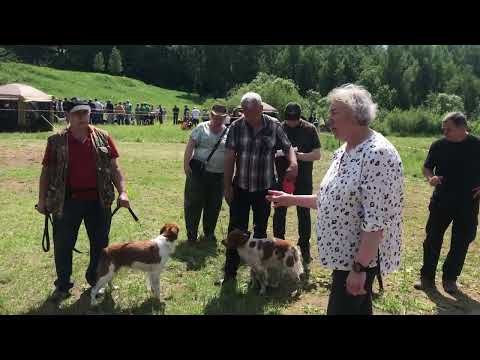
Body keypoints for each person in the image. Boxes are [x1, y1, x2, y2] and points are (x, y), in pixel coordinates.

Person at [267, 84, 404, 315]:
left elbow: (376, 223)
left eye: (334, 112)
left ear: (355, 114)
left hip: (357, 260)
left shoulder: (377, 154)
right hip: (343, 258)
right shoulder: (344, 150)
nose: (328, 119)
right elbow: (327, 199)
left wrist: (359, 269)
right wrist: (290, 198)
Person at [36, 99, 130, 301]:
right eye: (77, 113)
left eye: (85, 113)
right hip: (66, 202)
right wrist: (42, 200)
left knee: (100, 244)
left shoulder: (103, 137)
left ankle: (95, 280)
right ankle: (63, 284)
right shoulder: (55, 141)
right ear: (67, 116)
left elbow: (115, 168)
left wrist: (123, 192)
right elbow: (46, 172)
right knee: (62, 244)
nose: (82, 117)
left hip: (99, 201)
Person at [218, 92, 298, 285]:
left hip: (264, 187)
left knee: (260, 232)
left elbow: (287, 147)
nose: (249, 116)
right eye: (245, 111)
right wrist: (227, 186)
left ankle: (258, 276)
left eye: (253, 112)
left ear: (261, 109)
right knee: (235, 231)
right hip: (242, 187)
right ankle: (230, 274)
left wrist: (293, 164)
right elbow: (229, 157)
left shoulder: (273, 125)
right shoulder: (236, 126)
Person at [414, 112, 480, 294]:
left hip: (468, 203)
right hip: (441, 201)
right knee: (432, 238)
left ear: (462, 127)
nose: (444, 132)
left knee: (461, 242)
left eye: (448, 129)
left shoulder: (477, 145)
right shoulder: (438, 145)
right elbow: (427, 167)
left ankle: (450, 279)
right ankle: (426, 277)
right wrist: (430, 178)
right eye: (443, 129)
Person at [273, 102, 321, 265]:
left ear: (299, 117)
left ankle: (304, 247)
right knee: (279, 211)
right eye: (289, 119)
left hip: (303, 178)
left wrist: (298, 155)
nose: (291, 122)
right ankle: (279, 246)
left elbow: (317, 154)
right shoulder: (278, 128)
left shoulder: (309, 129)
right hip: (282, 177)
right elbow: (270, 151)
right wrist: (281, 154)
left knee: (304, 212)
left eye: (294, 119)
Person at [183, 104, 229, 244]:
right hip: (198, 173)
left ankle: (209, 233)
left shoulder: (229, 131)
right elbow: (190, 146)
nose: (218, 119)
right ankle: (192, 234)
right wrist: (186, 165)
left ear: (225, 117)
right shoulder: (201, 128)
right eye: (215, 116)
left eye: (221, 117)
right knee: (193, 204)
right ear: (211, 115)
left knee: (214, 205)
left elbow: (232, 153)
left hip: (218, 175)